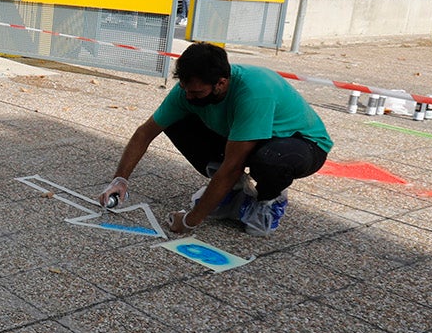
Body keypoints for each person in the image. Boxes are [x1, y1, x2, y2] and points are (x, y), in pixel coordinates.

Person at [98, 42, 332, 237]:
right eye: (186, 89)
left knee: (271, 160)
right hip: (247, 136)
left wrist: (190, 221)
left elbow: (232, 166)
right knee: (175, 120)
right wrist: (120, 180)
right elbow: (144, 133)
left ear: (221, 83)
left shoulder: (253, 92)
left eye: (197, 93)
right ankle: (233, 190)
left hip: (301, 145)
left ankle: (269, 200)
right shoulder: (189, 91)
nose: (189, 96)